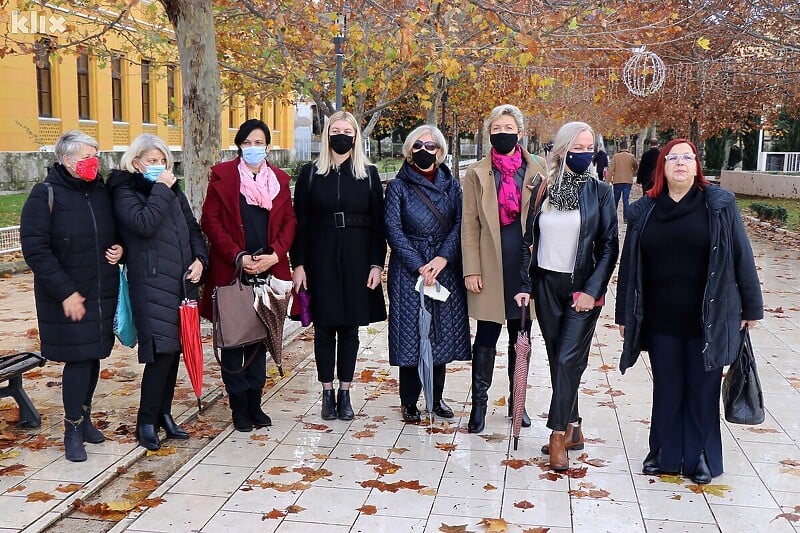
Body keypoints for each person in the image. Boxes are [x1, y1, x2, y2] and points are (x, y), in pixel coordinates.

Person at [615, 138, 763, 484]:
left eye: (687, 157)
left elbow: (742, 255)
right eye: (672, 158)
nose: (680, 163)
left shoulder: (719, 205)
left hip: (708, 317)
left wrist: (751, 308)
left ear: (697, 166)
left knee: (702, 388)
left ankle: (699, 455)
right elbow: (629, 267)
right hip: (660, 317)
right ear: (661, 168)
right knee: (666, 386)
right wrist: (625, 314)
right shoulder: (644, 211)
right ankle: (663, 452)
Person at [515, 121, 618, 471]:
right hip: (546, 284)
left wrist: (593, 290)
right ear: (562, 150)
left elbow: (608, 246)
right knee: (560, 357)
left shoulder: (600, 191)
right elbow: (528, 240)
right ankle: (575, 427)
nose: (584, 154)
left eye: (589, 148)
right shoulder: (542, 189)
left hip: (581, 290)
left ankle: (557, 435)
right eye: (577, 148)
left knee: (565, 360)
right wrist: (525, 285)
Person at [21, 131, 123, 462]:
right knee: (78, 360)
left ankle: (85, 417)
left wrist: (120, 249)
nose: (94, 162)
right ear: (66, 160)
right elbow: (35, 249)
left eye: (96, 155)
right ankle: (72, 429)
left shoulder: (100, 191)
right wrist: (65, 292)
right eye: (86, 157)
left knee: (93, 356)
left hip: (99, 291)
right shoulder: (45, 194)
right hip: (65, 294)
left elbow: (117, 232)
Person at [108, 134, 208, 451]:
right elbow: (144, 223)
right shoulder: (125, 190)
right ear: (136, 162)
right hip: (150, 280)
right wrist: (162, 188)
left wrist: (200, 260)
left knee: (174, 350)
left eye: (163, 161)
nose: (160, 167)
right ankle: (146, 421)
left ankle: (164, 414)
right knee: (159, 352)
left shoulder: (172, 191)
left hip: (180, 280)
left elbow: (192, 228)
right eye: (152, 161)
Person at [201, 119, 296, 432]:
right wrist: (238, 256)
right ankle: (238, 409)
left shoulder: (279, 179)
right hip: (233, 273)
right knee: (234, 341)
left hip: (269, 271)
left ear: (268, 147)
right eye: (248, 142)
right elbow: (210, 222)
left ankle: (255, 405)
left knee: (259, 339)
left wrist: (275, 255)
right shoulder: (224, 176)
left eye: (260, 142)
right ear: (239, 145)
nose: (254, 148)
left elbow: (289, 224)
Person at [291, 110, 386, 421]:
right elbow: (300, 223)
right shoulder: (309, 174)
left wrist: (376, 263)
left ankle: (346, 392)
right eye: (336, 129)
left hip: (358, 256)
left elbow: (378, 226)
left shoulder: (369, 174)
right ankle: (326, 392)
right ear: (327, 134)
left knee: (349, 329)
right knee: (324, 328)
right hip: (320, 255)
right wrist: (299, 263)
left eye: (348, 130)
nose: (341, 135)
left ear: (356, 136)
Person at [461, 104, 548, 434]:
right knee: (485, 335)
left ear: (520, 132)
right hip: (489, 261)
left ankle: (518, 403)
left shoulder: (538, 170)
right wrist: (471, 268)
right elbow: (469, 224)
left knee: (521, 335)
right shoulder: (476, 173)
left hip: (524, 265)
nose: (502, 134)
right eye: (496, 129)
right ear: (489, 135)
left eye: (508, 128)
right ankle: (479, 404)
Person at [384, 125, 470, 423]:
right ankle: (409, 401)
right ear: (409, 150)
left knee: (441, 335)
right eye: (418, 145)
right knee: (411, 335)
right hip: (410, 271)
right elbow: (393, 229)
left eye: (430, 146)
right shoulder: (398, 186)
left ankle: (436, 398)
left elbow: (461, 224)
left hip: (444, 268)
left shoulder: (453, 185)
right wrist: (420, 264)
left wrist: (442, 258)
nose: (424, 151)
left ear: (440, 151)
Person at [607, 140, 638, 220]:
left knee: (615, 200)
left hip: (617, 181)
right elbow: (636, 166)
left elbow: (611, 169)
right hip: (627, 180)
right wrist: (632, 172)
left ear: (620, 147)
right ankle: (626, 218)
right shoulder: (631, 156)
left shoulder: (616, 156)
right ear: (627, 147)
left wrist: (607, 181)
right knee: (626, 200)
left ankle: (612, 217)